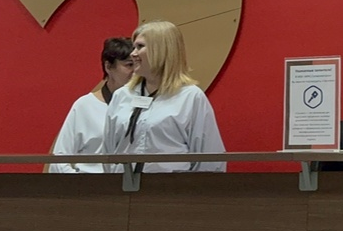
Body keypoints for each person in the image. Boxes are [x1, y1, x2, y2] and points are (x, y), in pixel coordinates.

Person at [103, 20, 225, 173]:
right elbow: (108, 152)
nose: (133, 54)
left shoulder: (190, 97)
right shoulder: (122, 95)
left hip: (171, 186)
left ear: (161, 51)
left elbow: (209, 158)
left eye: (140, 47)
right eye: (134, 47)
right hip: (123, 185)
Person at [49, 36, 134, 174]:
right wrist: (82, 183)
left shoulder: (145, 105)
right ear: (108, 66)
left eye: (138, 64)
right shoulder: (85, 106)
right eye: (129, 65)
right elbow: (59, 159)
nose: (135, 71)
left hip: (132, 184)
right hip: (90, 183)